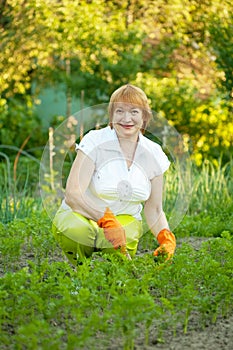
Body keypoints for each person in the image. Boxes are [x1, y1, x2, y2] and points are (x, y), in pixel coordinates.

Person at [52, 84, 176, 265]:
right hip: (82, 214)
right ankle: (80, 274)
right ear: (111, 115)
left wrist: (166, 237)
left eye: (134, 111)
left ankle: (115, 282)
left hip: (125, 218)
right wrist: (106, 220)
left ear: (144, 117)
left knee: (122, 237)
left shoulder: (154, 153)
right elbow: (73, 194)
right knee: (77, 230)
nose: (127, 118)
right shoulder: (94, 140)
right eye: (120, 111)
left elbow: (155, 208)